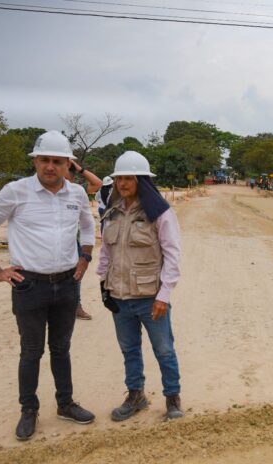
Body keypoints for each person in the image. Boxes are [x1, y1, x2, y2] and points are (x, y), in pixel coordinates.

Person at [0, 130, 96, 441]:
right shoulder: (16, 191)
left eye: (57, 161)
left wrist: (86, 255)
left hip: (68, 283)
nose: (50, 166)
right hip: (29, 285)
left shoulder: (77, 194)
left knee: (61, 349)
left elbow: (87, 224)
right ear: (35, 161)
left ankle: (65, 404)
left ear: (68, 163)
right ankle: (29, 410)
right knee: (31, 351)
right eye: (44, 160)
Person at [97, 151, 184, 422]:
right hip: (120, 297)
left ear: (142, 181)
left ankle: (173, 398)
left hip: (150, 297)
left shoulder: (160, 213)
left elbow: (172, 255)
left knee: (164, 350)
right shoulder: (111, 212)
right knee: (129, 350)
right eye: (119, 178)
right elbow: (106, 253)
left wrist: (164, 295)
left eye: (128, 178)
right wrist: (103, 285)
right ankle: (136, 396)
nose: (122, 183)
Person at [64, 161, 103, 321]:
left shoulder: (76, 192)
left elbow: (98, 183)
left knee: (76, 274)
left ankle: (75, 306)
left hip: (75, 241)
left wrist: (79, 168)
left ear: (73, 178)